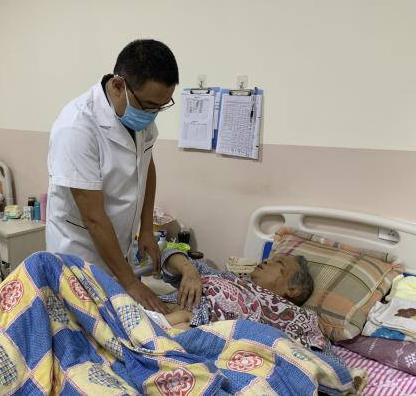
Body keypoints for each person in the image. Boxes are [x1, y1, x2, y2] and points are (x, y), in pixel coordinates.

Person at [46, 39, 179, 314]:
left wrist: (146, 228)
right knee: (88, 328)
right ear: (118, 86)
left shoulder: (138, 114)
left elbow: (146, 165)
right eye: (150, 105)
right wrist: (130, 282)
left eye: (161, 106)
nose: (153, 114)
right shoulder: (76, 127)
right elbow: (93, 217)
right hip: (80, 253)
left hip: (118, 248)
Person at [155, 250, 323, 349]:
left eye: (279, 263)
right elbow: (169, 255)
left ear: (292, 290)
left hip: (188, 333)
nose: (266, 261)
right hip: (156, 308)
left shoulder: (296, 318)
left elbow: (322, 358)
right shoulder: (228, 277)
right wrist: (189, 271)